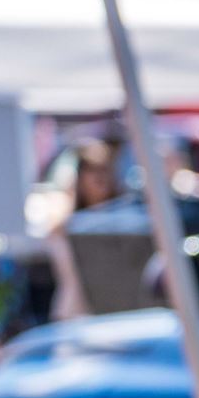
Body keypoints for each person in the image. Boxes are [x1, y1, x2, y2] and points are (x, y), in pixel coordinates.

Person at [43, 136, 120, 322]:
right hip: (74, 314)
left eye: (104, 170)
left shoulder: (124, 219)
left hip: (113, 312)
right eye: (92, 170)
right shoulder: (64, 226)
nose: (99, 178)